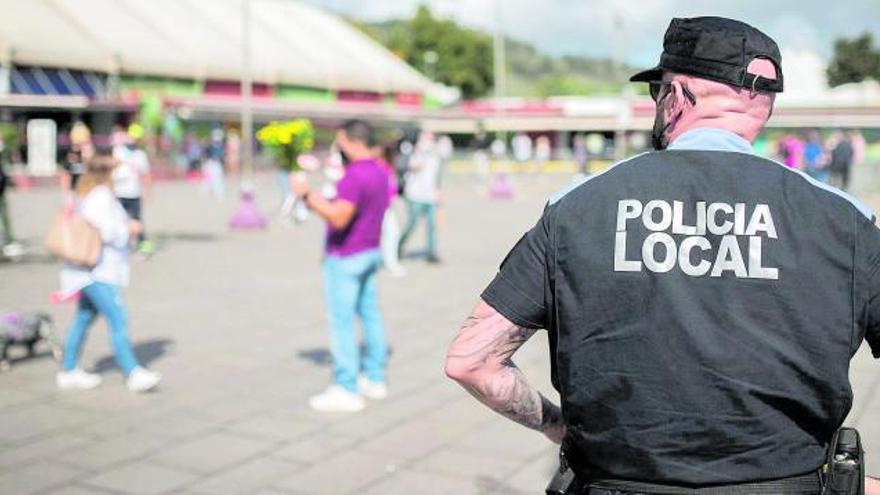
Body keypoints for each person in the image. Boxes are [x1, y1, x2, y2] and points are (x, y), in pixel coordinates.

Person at [445, 16, 880, 494]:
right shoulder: (846, 220)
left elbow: (473, 360)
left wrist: (557, 426)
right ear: (765, 104)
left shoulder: (579, 205)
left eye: (657, 92)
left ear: (676, 96)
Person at [290, 120, 390, 413]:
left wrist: (307, 195)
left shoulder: (355, 175)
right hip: (370, 250)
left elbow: (338, 217)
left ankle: (347, 386)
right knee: (370, 315)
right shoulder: (380, 171)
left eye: (340, 141)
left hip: (347, 255)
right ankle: (374, 376)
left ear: (350, 141)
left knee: (342, 321)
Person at [57, 150, 161, 393]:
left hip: (87, 270)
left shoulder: (87, 194)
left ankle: (69, 369)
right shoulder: (100, 196)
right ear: (107, 173)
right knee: (117, 317)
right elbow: (107, 232)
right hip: (98, 270)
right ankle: (132, 371)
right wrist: (130, 228)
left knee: (83, 318)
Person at [398, 131, 442, 264]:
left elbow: (437, 175)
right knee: (412, 223)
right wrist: (418, 156)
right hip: (415, 194)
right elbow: (407, 166)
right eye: (426, 136)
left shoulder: (436, 155)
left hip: (430, 195)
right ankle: (398, 246)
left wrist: (439, 191)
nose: (429, 140)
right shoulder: (412, 151)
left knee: (432, 224)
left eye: (431, 137)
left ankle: (432, 253)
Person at [113, 131, 154, 255]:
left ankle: (143, 244)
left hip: (134, 193)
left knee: (137, 219)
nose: (132, 140)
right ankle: (121, 244)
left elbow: (146, 174)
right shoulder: (117, 151)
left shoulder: (140, 155)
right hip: (119, 192)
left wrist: (148, 191)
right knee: (119, 220)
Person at [377, 142, 405, 276]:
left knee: (393, 234)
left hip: (387, 208)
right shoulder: (379, 168)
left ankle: (390, 262)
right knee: (389, 234)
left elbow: (392, 189)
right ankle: (389, 262)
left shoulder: (388, 168)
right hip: (378, 208)